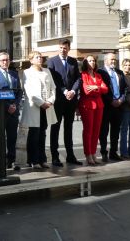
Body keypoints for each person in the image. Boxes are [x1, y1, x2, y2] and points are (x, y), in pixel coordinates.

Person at [47, 39, 82, 167]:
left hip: (70, 101)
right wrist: (64, 91)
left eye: (65, 48)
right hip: (58, 100)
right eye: (61, 47)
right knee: (55, 128)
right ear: (59, 48)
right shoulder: (52, 61)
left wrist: (73, 90)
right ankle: (55, 156)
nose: (63, 50)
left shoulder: (73, 61)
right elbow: (53, 80)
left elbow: (78, 78)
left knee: (69, 128)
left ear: (69, 48)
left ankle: (70, 155)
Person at [21, 51, 57, 169]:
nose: (40, 59)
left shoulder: (47, 71)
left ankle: (43, 159)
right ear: (31, 60)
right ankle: (33, 160)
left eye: (40, 57)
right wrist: (41, 103)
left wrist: (50, 101)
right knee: (34, 134)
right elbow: (29, 91)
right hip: (34, 107)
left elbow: (53, 88)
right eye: (37, 57)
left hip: (46, 108)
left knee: (43, 134)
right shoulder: (27, 72)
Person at [0, 52, 22, 170]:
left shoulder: (14, 74)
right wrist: (7, 105)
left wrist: (15, 105)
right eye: (2, 60)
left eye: (7, 60)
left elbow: (19, 91)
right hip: (0, 111)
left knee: (12, 137)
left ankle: (11, 160)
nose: (5, 62)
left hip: (13, 111)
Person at [97, 52, 127, 162]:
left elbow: (124, 89)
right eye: (111, 59)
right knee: (104, 130)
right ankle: (104, 152)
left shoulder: (119, 72)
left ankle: (113, 152)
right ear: (105, 61)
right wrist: (111, 101)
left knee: (115, 131)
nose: (113, 61)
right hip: (106, 106)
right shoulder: (100, 72)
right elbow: (101, 90)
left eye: (115, 59)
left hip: (118, 106)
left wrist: (121, 99)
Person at [78, 55, 108, 165]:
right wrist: (98, 88)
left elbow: (105, 89)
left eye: (94, 60)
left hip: (99, 105)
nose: (92, 62)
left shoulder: (99, 75)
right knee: (88, 130)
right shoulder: (83, 75)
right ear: (85, 62)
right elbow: (87, 91)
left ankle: (93, 153)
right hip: (87, 104)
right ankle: (88, 154)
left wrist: (96, 87)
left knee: (96, 130)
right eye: (90, 60)